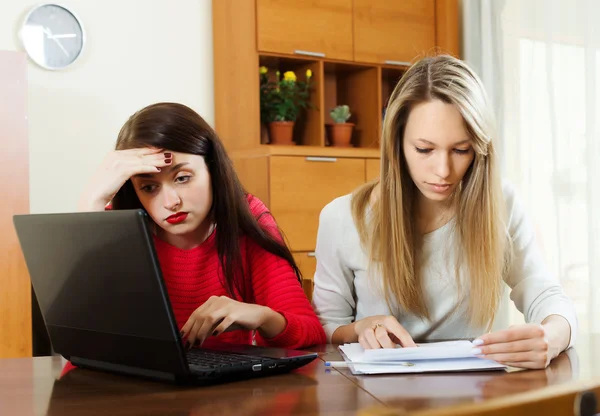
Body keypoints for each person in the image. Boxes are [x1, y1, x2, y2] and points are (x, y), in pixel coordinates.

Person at [312, 55, 576, 369]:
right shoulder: (341, 218)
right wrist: (359, 328)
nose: (443, 170)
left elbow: (543, 291)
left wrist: (552, 336)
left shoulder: (500, 202)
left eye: (461, 150)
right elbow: (323, 329)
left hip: (471, 396)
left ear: (479, 148)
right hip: (375, 399)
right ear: (397, 143)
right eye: (424, 149)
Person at [78, 102, 325, 350]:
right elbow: (82, 340)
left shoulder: (245, 216)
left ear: (212, 169)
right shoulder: (113, 226)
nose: (171, 202)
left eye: (182, 178)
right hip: (128, 386)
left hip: (221, 387)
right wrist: (92, 201)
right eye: (149, 187)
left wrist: (262, 316)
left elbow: (310, 332)